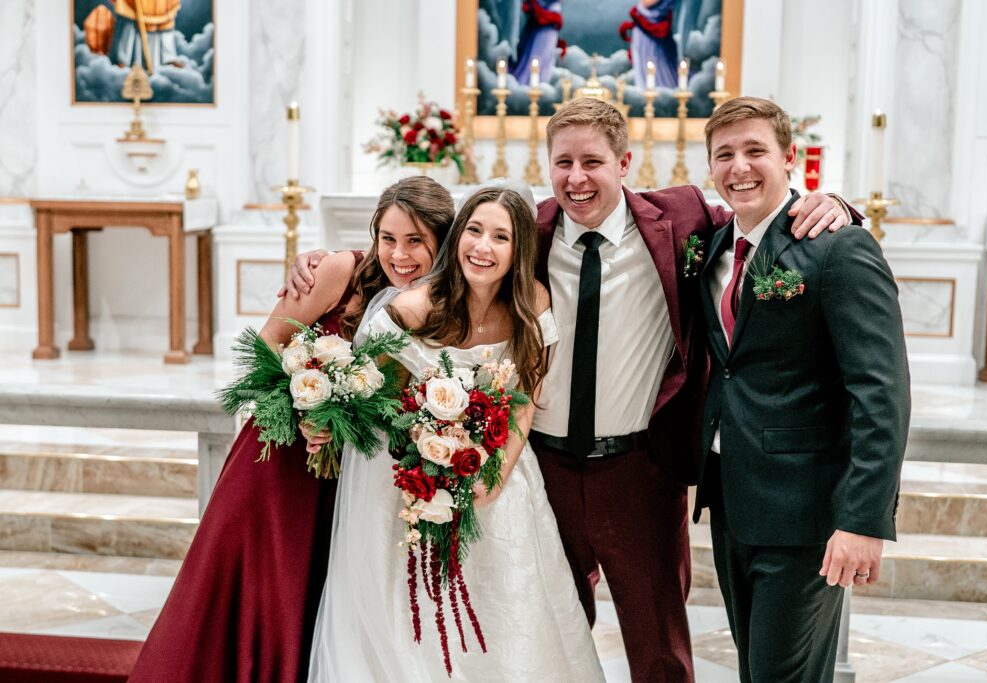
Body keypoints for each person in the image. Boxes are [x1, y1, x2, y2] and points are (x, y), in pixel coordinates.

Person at [287, 98, 856, 682]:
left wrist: (833, 203)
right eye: (563, 163)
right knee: (548, 629)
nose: (576, 178)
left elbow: (757, 216)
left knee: (659, 642)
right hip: (544, 465)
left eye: (592, 162)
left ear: (625, 163)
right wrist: (331, 262)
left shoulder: (680, 220)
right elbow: (434, 261)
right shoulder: (524, 231)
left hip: (640, 470)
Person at [129, 176, 454, 683]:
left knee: (315, 597)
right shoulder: (341, 271)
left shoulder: (445, 299)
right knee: (259, 584)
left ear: (443, 240)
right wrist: (307, 405)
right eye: (388, 238)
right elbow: (267, 344)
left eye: (416, 241)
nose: (400, 254)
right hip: (281, 459)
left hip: (350, 479)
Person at [308, 183, 605, 681]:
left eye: (499, 237)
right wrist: (330, 423)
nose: (481, 247)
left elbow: (525, 398)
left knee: (506, 601)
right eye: (473, 230)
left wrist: (494, 478)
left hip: (494, 471)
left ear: (519, 250)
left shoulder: (532, 301)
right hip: (404, 477)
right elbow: (359, 385)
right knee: (408, 613)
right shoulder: (417, 305)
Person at [694, 96, 910, 681]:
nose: (739, 167)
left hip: (806, 512)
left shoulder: (839, 248)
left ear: (790, 158)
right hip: (736, 502)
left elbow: (882, 393)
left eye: (755, 151)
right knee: (756, 668)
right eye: (725, 155)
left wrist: (864, 519)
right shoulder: (715, 246)